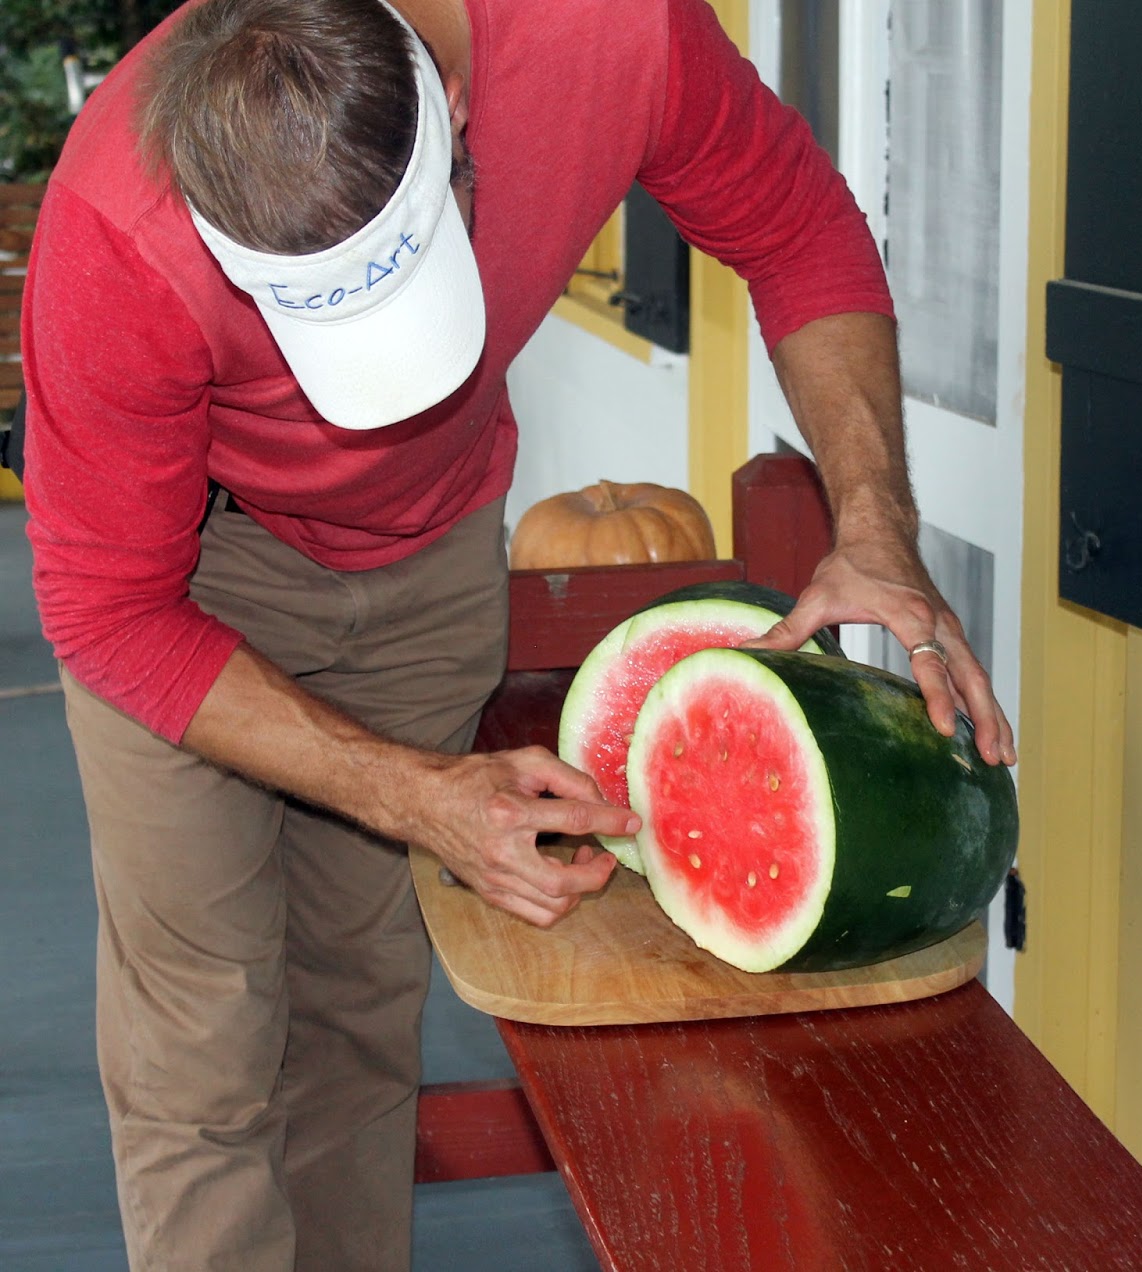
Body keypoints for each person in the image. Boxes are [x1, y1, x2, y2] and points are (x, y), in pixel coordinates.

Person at [21, 0, 1017, 1268]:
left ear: (452, 126)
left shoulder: (611, 32)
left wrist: (872, 523)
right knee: (199, 1050)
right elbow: (109, 607)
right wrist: (413, 793)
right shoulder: (116, 225)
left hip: (432, 543)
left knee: (359, 1011)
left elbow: (796, 224)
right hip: (186, 574)